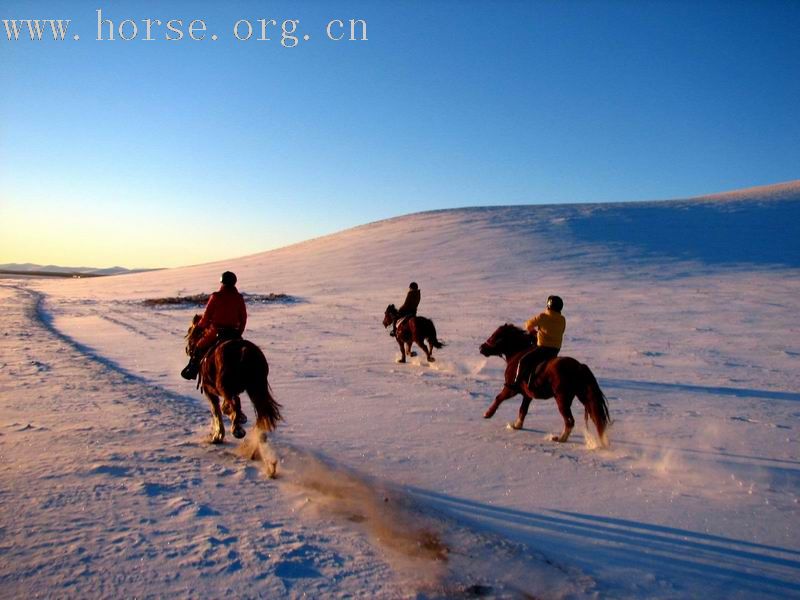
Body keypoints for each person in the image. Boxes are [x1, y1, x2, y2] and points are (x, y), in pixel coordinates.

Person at [181, 271, 247, 380]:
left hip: (216, 332)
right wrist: (239, 332)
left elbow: (206, 316)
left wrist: (200, 326)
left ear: (222, 282)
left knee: (198, 346)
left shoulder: (216, 296)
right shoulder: (239, 297)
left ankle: (192, 371)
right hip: (234, 333)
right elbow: (243, 318)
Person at [515, 295, 566, 387]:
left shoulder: (543, 316)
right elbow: (561, 331)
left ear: (548, 305)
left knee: (523, 361)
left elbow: (528, 325)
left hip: (543, 349)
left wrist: (534, 332)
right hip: (555, 350)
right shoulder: (562, 319)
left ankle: (516, 383)